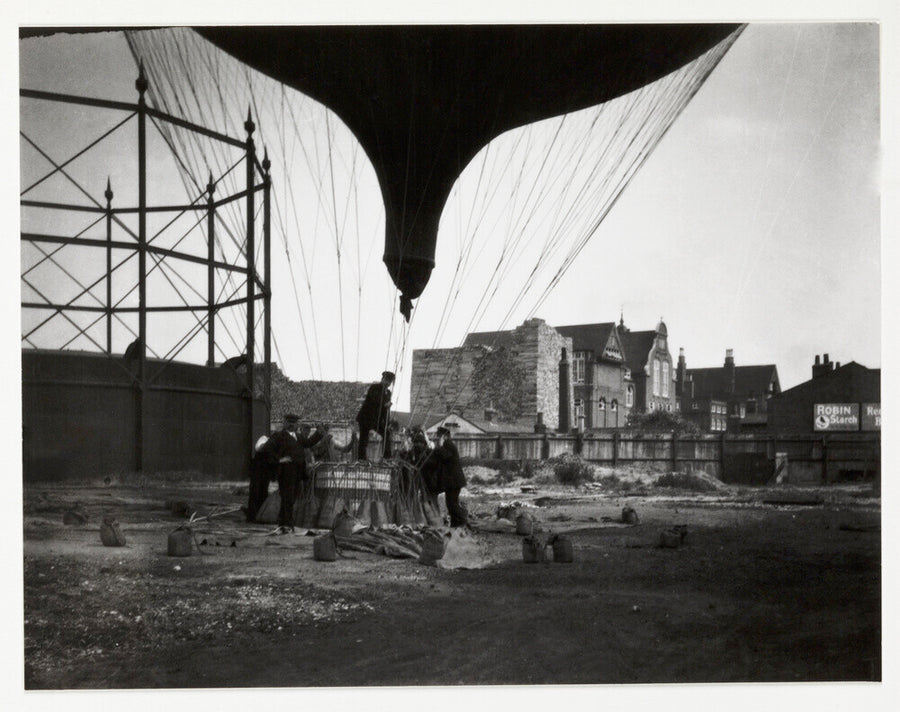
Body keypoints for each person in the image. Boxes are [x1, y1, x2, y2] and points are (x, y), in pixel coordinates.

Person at [257, 413, 325, 533]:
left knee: (292, 497)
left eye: (294, 423)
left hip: (298, 471)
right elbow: (267, 449)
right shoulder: (278, 436)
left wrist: (319, 432)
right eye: (290, 423)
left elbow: (309, 443)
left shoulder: (298, 437)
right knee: (287, 497)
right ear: (286, 423)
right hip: (286, 472)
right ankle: (287, 523)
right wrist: (279, 460)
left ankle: (284, 522)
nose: (292, 425)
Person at [433, 426, 468, 527]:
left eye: (439, 436)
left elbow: (444, 456)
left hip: (454, 481)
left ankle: (463, 519)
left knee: (452, 504)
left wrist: (438, 446)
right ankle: (455, 524)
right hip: (453, 481)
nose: (438, 437)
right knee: (451, 503)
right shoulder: (448, 444)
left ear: (445, 436)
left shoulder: (448, 444)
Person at [356, 370, 395, 460]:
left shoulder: (388, 393)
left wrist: (387, 422)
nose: (387, 383)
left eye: (389, 382)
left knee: (386, 433)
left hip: (376, 420)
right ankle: (361, 459)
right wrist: (385, 404)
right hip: (366, 418)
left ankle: (387, 457)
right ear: (382, 379)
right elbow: (375, 400)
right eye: (386, 380)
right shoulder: (374, 388)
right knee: (363, 439)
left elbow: (386, 410)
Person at [244, 434, 276, 522]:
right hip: (258, 471)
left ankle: (257, 515)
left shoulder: (270, 444)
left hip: (264, 472)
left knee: (262, 492)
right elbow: (260, 448)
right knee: (256, 492)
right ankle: (252, 516)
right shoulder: (264, 439)